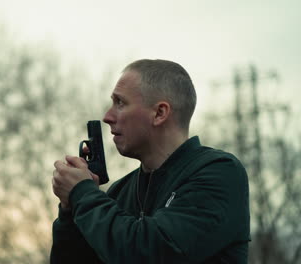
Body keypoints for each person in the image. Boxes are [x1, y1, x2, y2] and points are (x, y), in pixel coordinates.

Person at [51, 59, 250, 263]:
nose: (107, 116)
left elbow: (148, 252)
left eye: (120, 103)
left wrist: (82, 193)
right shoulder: (120, 192)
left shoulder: (219, 173)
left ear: (159, 113)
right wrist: (70, 210)